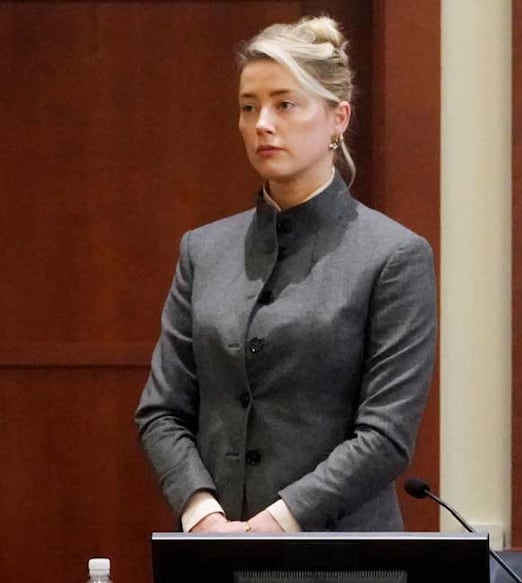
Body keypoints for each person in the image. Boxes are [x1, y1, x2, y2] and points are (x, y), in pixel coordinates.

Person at [135, 16, 436, 534]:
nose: (262, 124)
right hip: (215, 547)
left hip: (341, 554)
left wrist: (276, 524)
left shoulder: (394, 255)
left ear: (338, 118)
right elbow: (161, 412)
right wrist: (201, 514)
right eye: (248, 107)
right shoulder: (203, 250)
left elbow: (385, 435)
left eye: (285, 104)